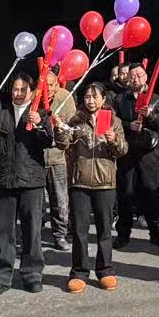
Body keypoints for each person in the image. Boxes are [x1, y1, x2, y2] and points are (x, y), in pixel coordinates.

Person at [0, 71, 52, 294]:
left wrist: (39, 124)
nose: (18, 93)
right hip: (5, 179)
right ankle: (2, 276)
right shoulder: (1, 114)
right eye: (15, 89)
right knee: (3, 230)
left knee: (32, 230)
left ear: (32, 91)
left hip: (31, 180)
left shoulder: (40, 114)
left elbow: (48, 141)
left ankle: (32, 274)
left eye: (23, 89)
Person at [58, 80, 127, 292]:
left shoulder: (114, 120)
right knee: (80, 230)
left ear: (103, 99)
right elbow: (63, 144)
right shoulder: (76, 120)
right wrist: (60, 130)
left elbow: (123, 150)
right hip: (80, 181)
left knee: (105, 229)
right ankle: (79, 272)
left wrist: (113, 140)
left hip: (106, 182)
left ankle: (105, 270)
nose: (90, 100)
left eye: (95, 96)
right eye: (87, 96)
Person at [113, 64, 159, 247]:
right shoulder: (120, 99)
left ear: (146, 77)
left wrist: (150, 115)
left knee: (150, 192)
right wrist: (128, 126)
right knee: (125, 193)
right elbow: (114, 121)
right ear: (127, 79)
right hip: (127, 151)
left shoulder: (156, 99)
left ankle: (156, 232)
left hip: (148, 152)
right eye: (132, 75)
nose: (136, 78)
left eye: (139, 74)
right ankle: (123, 234)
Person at [40, 64, 75, 250]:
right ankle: (33, 234)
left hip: (57, 156)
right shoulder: (33, 97)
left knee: (60, 200)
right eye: (45, 85)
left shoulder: (65, 97)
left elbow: (73, 126)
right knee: (35, 202)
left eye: (52, 85)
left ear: (57, 84)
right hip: (36, 158)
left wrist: (60, 128)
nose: (48, 88)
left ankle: (60, 234)